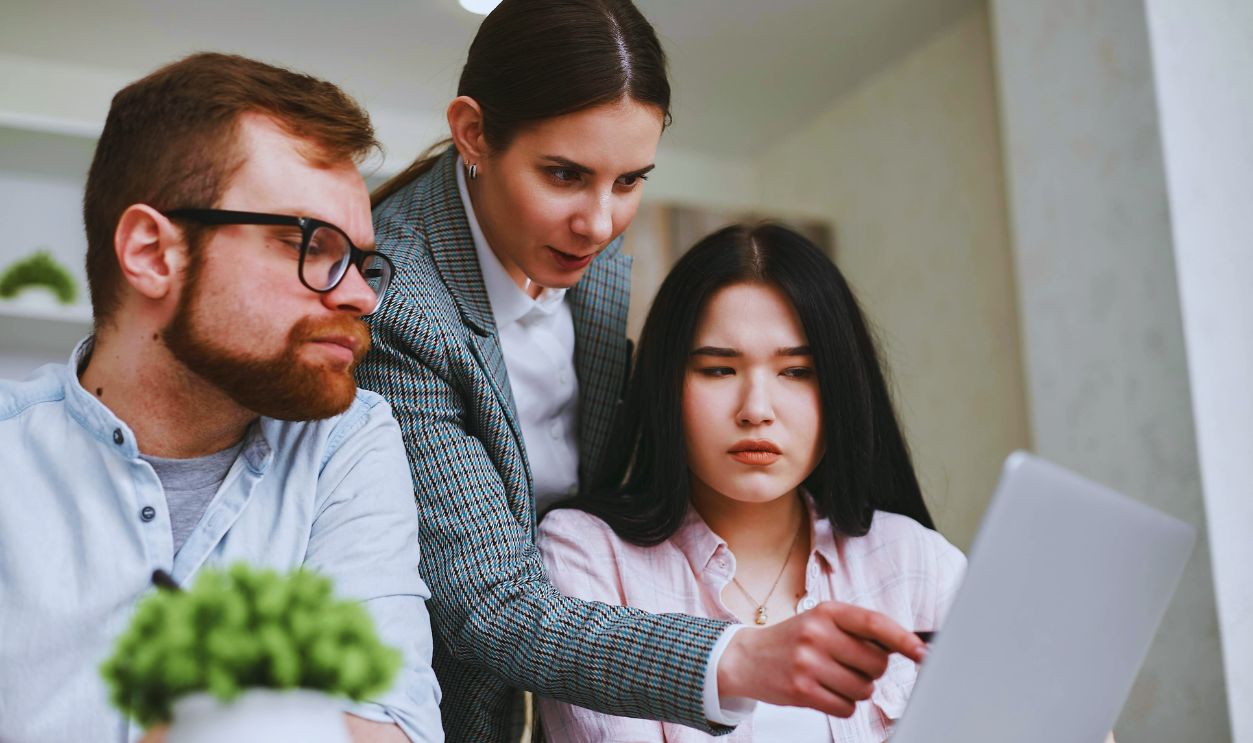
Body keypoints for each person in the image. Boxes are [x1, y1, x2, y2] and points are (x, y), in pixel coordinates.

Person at [357, 1, 927, 740]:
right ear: (472, 132)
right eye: (564, 174)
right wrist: (738, 657)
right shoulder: (395, 304)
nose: (598, 222)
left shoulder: (581, 263)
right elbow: (489, 603)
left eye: (630, 181)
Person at [0, 53, 441, 743]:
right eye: (311, 244)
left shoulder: (347, 441)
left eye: (361, 260)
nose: (361, 296)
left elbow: (396, 728)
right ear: (151, 252)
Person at [538, 223, 965, 742]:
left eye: (797, 372)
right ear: (666, 385)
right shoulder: (589, 557)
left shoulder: (918, 563)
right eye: (719, 370)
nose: (756, 410)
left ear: (841, 388)